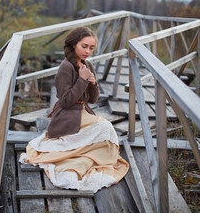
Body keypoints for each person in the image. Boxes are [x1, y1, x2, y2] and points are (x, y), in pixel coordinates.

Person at [19, 27, 129, 193]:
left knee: (106, 130)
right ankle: (78, 155)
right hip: (68, 116)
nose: (88, 51)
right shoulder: (66, 67)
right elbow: (65, 101)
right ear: (73, 45)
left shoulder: (88, 64)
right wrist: (82, 80)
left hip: (83, 113)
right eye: (84, 46)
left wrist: (92, 83)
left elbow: (93, 99)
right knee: (106, 128)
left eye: (91, 48)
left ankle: (86, 156)